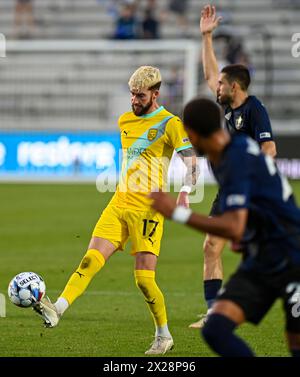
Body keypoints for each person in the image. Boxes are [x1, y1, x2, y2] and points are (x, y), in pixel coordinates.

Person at [33, 66, 199, 355]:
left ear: (155, 94)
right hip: (119, 203)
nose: (134, 100)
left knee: (144, 281)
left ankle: (163, 335)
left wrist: (185, 192)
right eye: (132, 95)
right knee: (89, 261)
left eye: (140, 96)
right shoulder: (124, 120)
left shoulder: (170, 123)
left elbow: (191, 162)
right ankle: (57, 308)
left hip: (148, 211)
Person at [151, 97, 300, 357]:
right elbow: (254, 207)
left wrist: (178, 214)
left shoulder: (236, 157)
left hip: (293, 256)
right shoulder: (224, 155)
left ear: (192, 134)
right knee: (215, 329)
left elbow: (233, 226)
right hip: (262, 258)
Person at [189, 4, 277, 329]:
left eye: (223, 85)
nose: (217, 87)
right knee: (211, 245)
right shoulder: (228, 104)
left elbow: (270, 147)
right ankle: (215, 311)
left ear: (235, 88)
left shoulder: (255, 110)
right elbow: (212, 73)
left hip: (250, 191)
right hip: (229, 189)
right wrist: (207, 37)